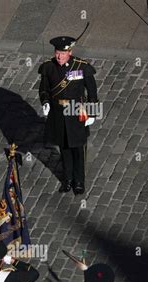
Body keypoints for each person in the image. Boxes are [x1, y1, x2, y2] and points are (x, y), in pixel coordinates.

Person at [38, 35, 99, 194]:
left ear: (69, 52)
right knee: (64, 148)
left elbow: (92, 92)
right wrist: (45, 102)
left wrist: (92, 114)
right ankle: (68, 179)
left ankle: (79, 181)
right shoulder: (48, 67)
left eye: (62, 53)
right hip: (58, 113)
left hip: (76, 110)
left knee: (78, 149)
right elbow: (44, 88)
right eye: (57, 52)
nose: (59, 56)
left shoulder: (81, 67)